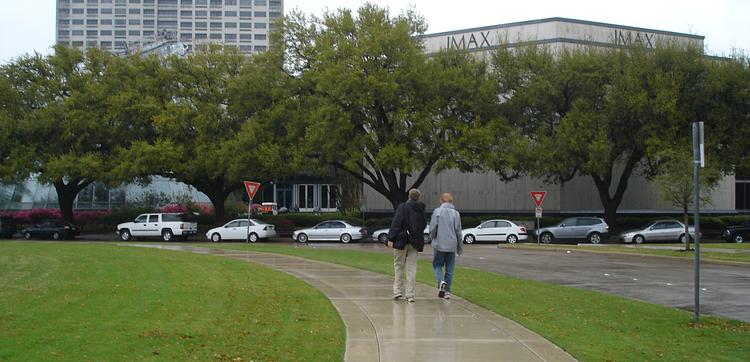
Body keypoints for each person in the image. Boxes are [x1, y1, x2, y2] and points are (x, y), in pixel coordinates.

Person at [387, 189, 427, 303]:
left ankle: (397, 291)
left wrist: (391, 238)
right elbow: (423, 225)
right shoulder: (420, 209)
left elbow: (397, 223)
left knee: (398, 265)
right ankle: (410, 294)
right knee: (412, 267)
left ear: (409, 196)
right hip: (415, 241)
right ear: (418, 197)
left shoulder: (402, 207)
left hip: (401, 240)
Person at [429, 193, 463, 299]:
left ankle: (441, 283)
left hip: (439, 244)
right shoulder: (456, 214)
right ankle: (447, 292)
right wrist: (459, 247)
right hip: (452, 245)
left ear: (441, 201)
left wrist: (432, 237)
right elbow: (458, 232)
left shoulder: (437, 212)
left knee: (437, 265)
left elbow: (433, 228)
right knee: (450, 269)